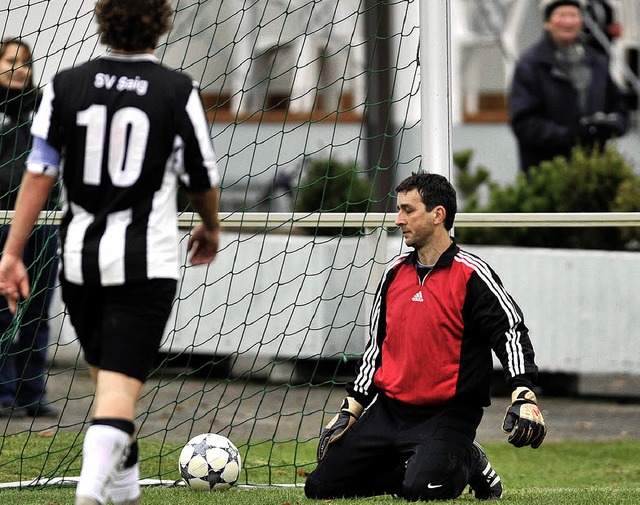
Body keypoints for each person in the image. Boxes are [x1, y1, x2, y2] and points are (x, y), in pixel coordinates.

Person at [0, 1, 221, 504]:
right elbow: (202, 178)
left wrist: (12, 253)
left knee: (110, 387)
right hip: (147, 261)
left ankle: (125, 494)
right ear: (161, 23)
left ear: (103, 21)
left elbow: (39, 173)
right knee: (119, 392)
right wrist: (210, 226)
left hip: (79, 259)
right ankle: (90, 493)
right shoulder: (175, 90)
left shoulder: (64, 86)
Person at [305, 172, 547, 502]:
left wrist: (523, 393)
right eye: (399, 210)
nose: (398, 219)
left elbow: (510, 332)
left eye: (408, 210)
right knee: (320, 488)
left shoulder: (473, 274)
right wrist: (352, 408)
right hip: (389, 411)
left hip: (448, 412)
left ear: (437, 215)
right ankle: (417, 462)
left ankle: (469, 459)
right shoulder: (392, 276)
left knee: (422, 490)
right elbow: (376, 350)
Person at [0, 37, 60, 418]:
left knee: (37, 309)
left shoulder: (44, 108)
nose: (19, 68)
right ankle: (3, 393)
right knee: (2, 310)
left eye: (24, 62)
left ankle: (32, 392)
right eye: (10, 61)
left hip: (44, 222)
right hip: (1, 221)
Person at [509, 0, 628, 173]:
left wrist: (613, 125)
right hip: (546, 173)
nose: (567, 21)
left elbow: (618, 105)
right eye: (561, 15)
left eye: (573, 15)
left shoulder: (597, 62)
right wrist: (571, 135)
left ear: (581, 21)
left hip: (593, 172)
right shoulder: (531, 65)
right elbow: (523, 123)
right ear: (547, 23)